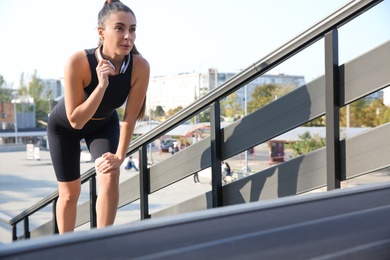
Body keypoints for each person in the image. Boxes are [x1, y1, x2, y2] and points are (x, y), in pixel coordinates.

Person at [47, 0, 149, 234]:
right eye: (120, 28)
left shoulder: (140, 66)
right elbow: (76, 121)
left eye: (132, 29)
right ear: (101, 32)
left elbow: (129, 118)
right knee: (71, 193)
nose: (128, 36)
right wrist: (101, 85)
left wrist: (120, 157)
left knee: (111, 173)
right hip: (64, 129)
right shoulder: (78, 62)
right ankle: (66, 246)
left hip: (103, 125)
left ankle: (103, 242)